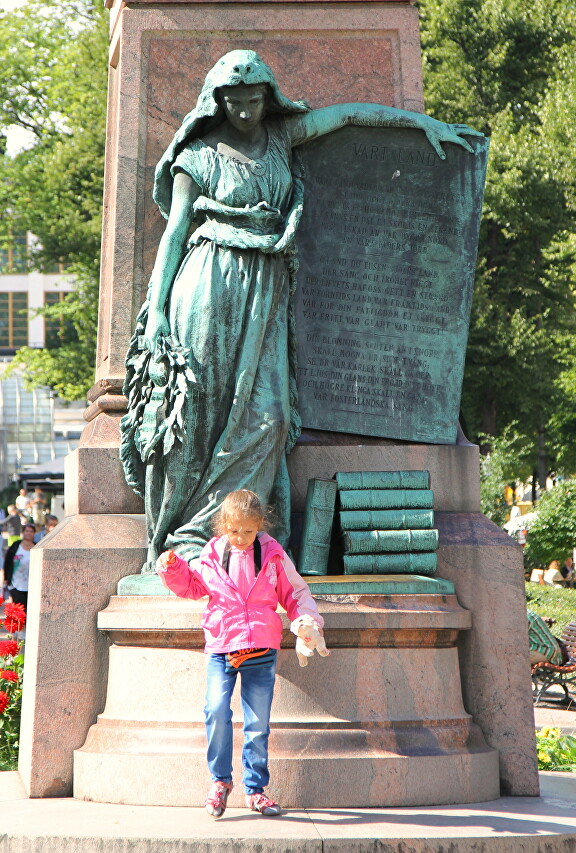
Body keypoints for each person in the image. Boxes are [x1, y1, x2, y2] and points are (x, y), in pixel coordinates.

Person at [120, 49, 483, 572]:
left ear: (268, 98)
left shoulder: (281, 140)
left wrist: (422, 124)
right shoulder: (195, 158)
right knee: (197, 414)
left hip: (266, 288)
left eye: (254, 99)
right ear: (217, 101)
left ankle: (231, 533)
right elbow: (175, 234)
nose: (246, 110)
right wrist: (155, 312)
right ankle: (187, 539)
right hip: (207, 287)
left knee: (267, 415)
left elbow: (348, 116)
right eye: (235, 101)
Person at [156, 488, 327, 817]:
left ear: (260, 524)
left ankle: (255, 789)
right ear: (223, 526)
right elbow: (193, 587)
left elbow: (296, 592)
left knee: (257, 723)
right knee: (216, 710)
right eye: (234, 531)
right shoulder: (214, 552)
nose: (241, 538)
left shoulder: (272, 553)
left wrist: (307, 620)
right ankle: (220, 781)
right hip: (222, 646)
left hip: (260, 647)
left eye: (249, 531)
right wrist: (173, 569)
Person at [1, 522, 36, 611]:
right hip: (16, 583)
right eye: (26, 531)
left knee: (29, 609)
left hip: (31, 584)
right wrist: (6, 579)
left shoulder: (37, 547)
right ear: (23, 533)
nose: (28, 533)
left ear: (34, 534)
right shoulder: (16, 546)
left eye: (31, 531)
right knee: (19, 609)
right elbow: (8, 562)